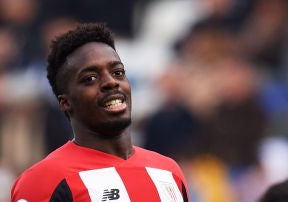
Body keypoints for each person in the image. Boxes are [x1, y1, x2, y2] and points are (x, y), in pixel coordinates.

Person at [11, 23, 189, 202]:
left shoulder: (168, 172)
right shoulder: (44, 181)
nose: (111, 82)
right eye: (90, 78)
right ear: (66, 103)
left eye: (118, 72)